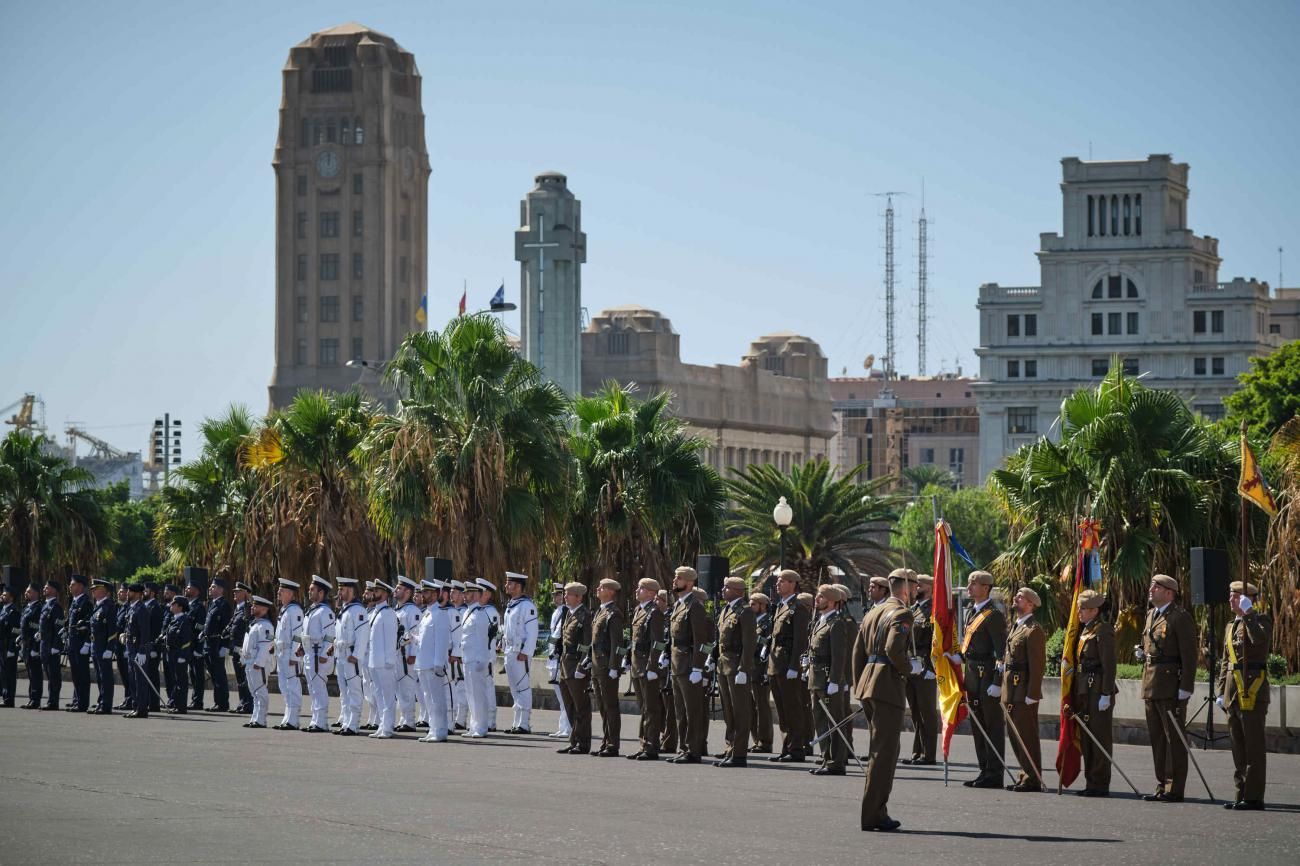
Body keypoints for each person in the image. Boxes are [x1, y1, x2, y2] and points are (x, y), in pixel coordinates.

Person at [851, 571, 916, 832]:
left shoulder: (873, 612)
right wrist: (908, 669)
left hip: (869, 684)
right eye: (915, 587)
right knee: (884, 754)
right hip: (887, 687)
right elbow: (892, 649)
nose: (915, 592)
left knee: (880, 750)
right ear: (906, 588)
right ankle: (873, 815)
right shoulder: (902, 613)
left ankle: (876, 811)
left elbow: (858, 651)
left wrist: (860, 684)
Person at [1137, 573, 1197, 803]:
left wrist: (1186, 687)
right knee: (1157, 739)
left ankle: (1175, 787)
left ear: (1169, 593)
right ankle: (1161, 783)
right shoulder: (1152, 614)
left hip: (1171, 686)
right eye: (1151, 586)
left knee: (1173, 738)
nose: (1151, 590)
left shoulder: (1179, 617)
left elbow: (1189, 656)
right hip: (1152, 684)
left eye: (1156, 587)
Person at [946, 570, 1005, 789]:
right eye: (969, 583)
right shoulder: (972, 611)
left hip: (987, 676)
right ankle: (984, 770)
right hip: (972, 675)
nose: (969, 587)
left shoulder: (993, 615)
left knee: (992, 726)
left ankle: (995, 773)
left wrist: (998, 682)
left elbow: (1001, 653)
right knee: (979, 726)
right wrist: (957, 657)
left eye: (974, 584)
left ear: (986, 588)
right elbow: (970, 645)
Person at [1217, 580, 1271, 811]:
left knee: (1253, 746)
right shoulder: (1230, 625)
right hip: (1232, 692)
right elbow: (1226, 661)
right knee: (1238, 746)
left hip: (1252, 689)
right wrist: (1220, 691)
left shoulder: (1261, 620)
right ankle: (1241, 793)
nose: (1230, 599)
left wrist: (1249, 613)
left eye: (1236, 596)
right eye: (1230, 595)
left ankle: (1254, 796)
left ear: (1248, 598)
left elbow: (1259, 640)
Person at [1069, 588, 1116, 797]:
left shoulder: (1103, 630)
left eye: (1084, 608)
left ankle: (1100, 782)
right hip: (1085, 689)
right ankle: (1091, 780)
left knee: (1099, 737)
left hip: (1098, 690)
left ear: (1095, 610)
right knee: (1087, 737)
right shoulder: (1086, 630)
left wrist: (1106, 693)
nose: (1079, 611)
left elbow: (1109, 664)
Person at [1002, 587, 1046, 792]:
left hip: (1023, 692)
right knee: (1015, 736)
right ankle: (1024, 774)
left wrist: (1033, 693)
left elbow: (1037, 665)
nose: (1016, 599)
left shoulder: (1033, 630)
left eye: (1021, 598)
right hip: (1011, 691)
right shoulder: (1016, 626)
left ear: (1030, 604)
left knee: (1027, 735)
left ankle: (1033, 778)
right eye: (1016, 596)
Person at [667, 566, 711, 764]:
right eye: (676, 577)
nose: (675, 581)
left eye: (679, 578)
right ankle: (684, 747)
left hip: (688, 664)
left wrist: (697, 667)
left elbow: (701, 640)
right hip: (677, 664)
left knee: (692, 710)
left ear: (690, 582)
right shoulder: (679, 605)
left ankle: (693, 750)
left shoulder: (695, 606)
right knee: (680, 710)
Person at [767, 569, 811, 763]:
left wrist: (795, 666)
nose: (778, 584)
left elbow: (800, 641)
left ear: (793, 584)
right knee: (782, 710)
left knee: (793, 708)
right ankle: (787, 746)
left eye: (782, 581)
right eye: (778, 581)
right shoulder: (781, 607)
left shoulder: (798, 608)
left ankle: (796, 748)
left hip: (787, 666)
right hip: (776, 665)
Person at [714, 576, 755, 768]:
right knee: (728, 710)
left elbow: (749, 643)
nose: (723, 590)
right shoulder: (726, 610)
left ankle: (739, 753)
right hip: (723, 665)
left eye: (727, 587)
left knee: (740, 711)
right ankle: (730, 747)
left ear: (738, 591)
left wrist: (744, 669)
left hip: (737, 665)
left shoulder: (745, 612)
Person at [627, 577, 665, 761]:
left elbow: (657, 643)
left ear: (650, 592)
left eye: (641, 588)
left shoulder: (654, 613)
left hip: (646, 666)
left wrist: (652, 666)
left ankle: (651, 746)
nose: (637, 590)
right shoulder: (638, 610)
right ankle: (644, 743)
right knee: (643, 708)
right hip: (637, 665)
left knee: (651, 708)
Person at [902, 573, 939, 766]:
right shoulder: (913, 610)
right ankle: (918, 751)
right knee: (916, 711)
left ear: (930, 588)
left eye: (919, 585)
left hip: (926, 667)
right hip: (912, 666)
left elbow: (938, 641)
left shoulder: (934, 611)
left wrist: (933, 667)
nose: (915, 588)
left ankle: (929, 754)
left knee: (927, 712)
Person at [588, 578, 625, 756]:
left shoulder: (614, 614)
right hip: (597, 666)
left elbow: (616, 643)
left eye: (601, 587)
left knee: (610, 705)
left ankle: (613, 744)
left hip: (606, 666)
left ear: (610, 592)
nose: (598, 589)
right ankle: (606, 740)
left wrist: (614, 666)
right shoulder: (600, 612)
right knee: (602, 706)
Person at [556, 582, 593, 755]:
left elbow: (586, 644)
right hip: (565, 665)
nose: (565, 596)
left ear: (578, 597)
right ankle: (574, 739)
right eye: (565, 593)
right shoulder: (569, 614)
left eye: (569, 594)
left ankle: (583, 743)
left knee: (581, 707)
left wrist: (582, 666)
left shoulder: (585, 616)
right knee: (569, 706)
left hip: (576, 665)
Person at [414, 578, 452, 743]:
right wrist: (412, 638)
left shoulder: (440, 614)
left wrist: (438, 662)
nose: (423, 595)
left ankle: (441, 730)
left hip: (433, 664)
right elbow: (425, 640)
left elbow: (442, 640)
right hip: (423, 663)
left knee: (437, 699)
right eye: (422, 592)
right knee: (428, 698)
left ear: (436, 594)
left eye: (427, 592)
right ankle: (433, 728)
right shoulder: (426, 614)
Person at [502, 572, 539, 734]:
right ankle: (517, 722)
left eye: (509, 583)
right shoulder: (512, 604)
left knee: (523, 687)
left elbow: (532, 632)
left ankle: (524, 723)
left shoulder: (527, 606)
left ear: (517, 586)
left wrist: (526, 651)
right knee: (514, 689)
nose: (506, 586)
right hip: (510, 651)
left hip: (520, 652)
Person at [456, 581, 491, 738]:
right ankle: (474, 725)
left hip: (477, 660)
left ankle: (482, 727)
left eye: (468, 592)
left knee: (478, 694)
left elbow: (483, 640)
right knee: (470, 694)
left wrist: (482, 660)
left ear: (476, 595)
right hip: (468, 659)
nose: (464, 595)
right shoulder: (467, 612)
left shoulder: (480, 614)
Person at [301, 575, 336, 733]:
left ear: (321, 593)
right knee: (312, 688)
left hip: (319, 655)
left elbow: (330, 635)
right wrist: (301, 647)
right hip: (309, 653)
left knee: (319, 688)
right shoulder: (311, 610)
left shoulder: (325, 611)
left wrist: (325, 655)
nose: (309, 592)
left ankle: (321, 721)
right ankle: (315, 719)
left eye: (312, 590)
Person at [331, 577, 365, 735]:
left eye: (342, 589)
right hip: (341, 655)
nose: (339, 592)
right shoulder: (344, 610)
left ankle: (353, 724)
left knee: (354, 690)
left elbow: (362, 634)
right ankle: (346, 721)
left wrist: (356, 655)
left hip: (351, 656)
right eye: (339, 589)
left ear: (350, 591)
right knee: (344, 692)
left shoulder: (357, 610)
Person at [366, 580, 399, 738]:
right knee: (378, 694)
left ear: (385, 594)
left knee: (387, 695)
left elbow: (391, 640)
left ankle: (388, 726)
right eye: (373, 590)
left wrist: (389, 661)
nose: (373, 593)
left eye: (377, 590)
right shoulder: (374, 612)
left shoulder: (389, 613)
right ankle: (381, 724)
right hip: (374, 661)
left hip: (385, 662)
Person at [272, 578, 305, 731]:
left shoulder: (295, 611)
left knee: (292, 686)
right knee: (284, 686)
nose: (278, 592)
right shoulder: (285, 610)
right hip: (281, 654)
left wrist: (294, 657)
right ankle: (288, 716)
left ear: (291, 593)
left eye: (282, 590)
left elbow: (298, 635)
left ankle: (293, 719)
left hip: (290, 655)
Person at [391, 575, 421, 732]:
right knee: (398, 689)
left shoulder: (412, 610)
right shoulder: (396, 610)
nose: (396, 590)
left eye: (400, 588)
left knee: (407, 688)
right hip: (396, 655)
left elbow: (415, 634)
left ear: (408, 592)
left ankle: (409, 721)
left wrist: (413, 654)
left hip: (406, 656)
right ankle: (403, 719)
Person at [240, 594, 275, 729]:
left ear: (265, 609)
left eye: (256, 606)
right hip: (250, 662)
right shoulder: (255, 624)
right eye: (253, 605)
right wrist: (243, 659)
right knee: (254, 692)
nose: (252, 607)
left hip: (258, 664)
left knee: (260, 690)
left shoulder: (266, 626)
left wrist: (259, 663)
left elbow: (266, 646)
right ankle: (255, 718)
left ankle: (261, 719)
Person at [122, 583, 154, 719]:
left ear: (137, 594)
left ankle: (141, 709)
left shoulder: (141, 609)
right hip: (131, 648)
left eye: (130, 592)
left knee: (140, 680)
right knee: (133, 680)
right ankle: (136, 706)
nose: (127, 593)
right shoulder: (131, 608)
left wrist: (142, 650)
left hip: (138, 649)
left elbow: (145, 632)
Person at [748, 592, 774, 754]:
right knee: (750, 707)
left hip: (760, 670)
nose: (750, 607)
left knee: (762, 707)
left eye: (753, 604)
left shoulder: (767, 624)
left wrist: (765, 672)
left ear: (763, 605)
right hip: (749, 669)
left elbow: (768, 648)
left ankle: (765, 742)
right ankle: (756, 739)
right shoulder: (751, 622)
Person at [202, 576, 232, 712]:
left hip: (217, 644)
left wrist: (225, 646)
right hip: (209, 643)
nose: (210, 589)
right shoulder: (212, 604)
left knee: (219, 675)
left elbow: (226, 627)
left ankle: (223, 703)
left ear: (220, 590)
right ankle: (217, 702)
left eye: (213, 587)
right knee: (213, 675)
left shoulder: (223, 605)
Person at [87, 578, 117, 714]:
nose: (93, 591)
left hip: (104, 647)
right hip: (96, 646)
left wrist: (110, 648)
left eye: (96, 589)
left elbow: (112, 629)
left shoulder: (109, 606)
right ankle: (101, 701)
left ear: (104, 591)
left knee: (105, 677)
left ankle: (106, 704)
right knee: (99, 676)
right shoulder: (98, 605)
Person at [475, 578, 501, 732]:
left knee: (488, 688)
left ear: (486, 594)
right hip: (476, 656)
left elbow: (491, 637)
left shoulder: (491, 612)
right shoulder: (476, 610)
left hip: (486, 656)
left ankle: (491, 720)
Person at [63, 574, 92, 712]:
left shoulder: (86, 602)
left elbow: (88, 625)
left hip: (81, 645)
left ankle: (82, 703)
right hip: (73, 643)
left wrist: (87, 644)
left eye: (73, 584)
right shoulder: (74, 601)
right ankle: (77, 700)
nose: (70, 586)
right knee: (75, 674)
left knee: (82, 674)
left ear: (80, 586)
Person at [546, 585, 571, 739]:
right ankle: (563, 727)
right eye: (554, 594)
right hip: (552, 657)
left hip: (559, 657)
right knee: (560, 695)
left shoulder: (566, 611)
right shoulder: (557, 612)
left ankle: (567, 727)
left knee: (564, 696)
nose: (556, 597)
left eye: (559, 594)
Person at [655, 589, 678, 755]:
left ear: (664, 601)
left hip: (668, 668)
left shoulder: (670, 617)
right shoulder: (657, 617)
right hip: (657, 667)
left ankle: (669, 742)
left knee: (669, 707)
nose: (656, 602)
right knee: (658, 707)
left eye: (658, 599)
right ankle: (661, 737)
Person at [226, 581, 253, 715]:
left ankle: (248, 703)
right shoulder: (238, 609)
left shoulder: (247, 609)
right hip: (235, 649)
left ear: (245, 594)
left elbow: (248, 630)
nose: (235, 594)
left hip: (243, 649)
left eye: (238, 592)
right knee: (239, 678)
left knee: (244, 678)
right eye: (235, 591)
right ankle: (242, 702)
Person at [38, 579, 65, 711]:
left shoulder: (56, 607)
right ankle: (50, 700)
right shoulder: (45, 605)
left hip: (52, 647)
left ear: (54, 590)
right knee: (49, 674)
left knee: (54, 675)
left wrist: (56, 646)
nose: (44, 589)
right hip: (44, 645)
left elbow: (59, 628)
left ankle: (53, 701)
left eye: (47, 587)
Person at [164, 596, 193, 713]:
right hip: (171, 653)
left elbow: (186, 640)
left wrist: (183, 655)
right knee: (175, 681)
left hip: (179, 654)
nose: (171, 606)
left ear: (180, 607)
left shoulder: (184, 621)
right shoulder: (174, 619)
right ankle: (175, 703)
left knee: (180, 681)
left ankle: (181, 706)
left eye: (173, 604)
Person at [184, 573, 208, 710]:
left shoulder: (199, 607)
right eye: (187, 588)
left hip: (195, 646)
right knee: (192, 675)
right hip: (188, 646)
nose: (187, 590)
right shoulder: (187, 606)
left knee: (198, 676)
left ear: (197, 591)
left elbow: (200, 628)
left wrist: (199, 648)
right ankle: (194, 700)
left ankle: (198, 701)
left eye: (190, 588)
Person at [448, 580, 469, 731]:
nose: (451, 594)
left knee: (461, 688)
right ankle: (455, 717)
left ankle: (461, 719)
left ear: (462, 595)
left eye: (454, 592)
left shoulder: (462, 612)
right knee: (454, 688)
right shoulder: (453, 611)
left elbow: (462, 636)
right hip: (452, 656)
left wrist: (457, 653)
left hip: (459, 656)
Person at [19, 584, 42, 709]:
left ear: (36, 593)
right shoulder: (26, 608)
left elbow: (37, 630)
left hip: (34, 645)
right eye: (26, 591)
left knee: (35, 674)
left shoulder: (38, 608)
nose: (26, 594)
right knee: (30, 673)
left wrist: (35, 648)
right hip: (26, 645)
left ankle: (36, 699)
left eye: (29, 592)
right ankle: (31, 698)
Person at [113, 583, 133, 711]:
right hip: (119, 646)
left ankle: (131, 699)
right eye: (119, 591)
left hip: (126, 646)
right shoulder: (120, 607)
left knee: (129, 675)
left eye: (123, 592)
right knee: (124, 675)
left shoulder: (129, 607)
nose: (120, 594)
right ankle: (127, 698)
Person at [0, 585, 18, 707]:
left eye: (5, 595)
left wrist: (12, 648)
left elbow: (15, 631)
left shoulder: (14, 612)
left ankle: (9, 699)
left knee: (9, 674)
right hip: (2, 646)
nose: (2, 596)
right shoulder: (3, 609)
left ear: (11, 598)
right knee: (3, 673)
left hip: (8, 647)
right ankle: (6, 697)